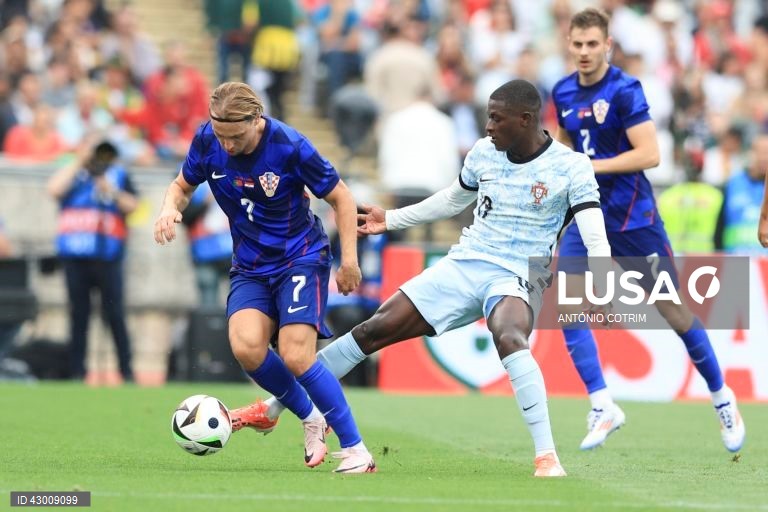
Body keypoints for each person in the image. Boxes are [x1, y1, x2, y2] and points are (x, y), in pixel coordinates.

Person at [236, 79, 615, 477]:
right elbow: (453, 199)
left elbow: (594, 234)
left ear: (526, 119)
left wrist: (602, 282)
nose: (487, 126)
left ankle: (547, 457)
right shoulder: (485, 153)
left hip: (521, 272)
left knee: (509, 335)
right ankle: (273, 408)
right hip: (466, 261)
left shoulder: (571, 166)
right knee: (372, 330)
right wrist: (392, 220)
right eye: (488, 116)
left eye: (496, 119)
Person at [153, 82, 375, 474]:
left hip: (300, 257)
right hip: (250, 265)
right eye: (221, 136)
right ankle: (310, 417)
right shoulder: (208, 140)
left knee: (295, 354)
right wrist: (169, 208)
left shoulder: (289, 145)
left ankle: (356, 448)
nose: (227, 146)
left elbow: (340, 196)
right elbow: (181, 186)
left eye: (235, 137)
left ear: (257, 120)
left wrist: (349, 261)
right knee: (246, 347)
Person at [551, 8, 745, 452]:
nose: (584, 52)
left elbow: (650, 154)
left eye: (592, 44)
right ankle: (603, 404)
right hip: (588, 215)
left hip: (633, 219)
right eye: (577, 44)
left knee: (673, 313)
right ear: (569, 45)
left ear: (607, 46)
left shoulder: (624, 89)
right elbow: (565, 145)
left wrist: (589, 167)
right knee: (566, 303)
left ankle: (722, 398)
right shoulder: (561, 90)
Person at [46, 141, 138, 383]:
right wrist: (79, 161)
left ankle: (126, 371)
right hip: (75, 257)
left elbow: (134, 205)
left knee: (115, 313)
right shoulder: (72, 171)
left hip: (107, 256)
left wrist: (112, 190)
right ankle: (77, 371)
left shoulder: (117, 174)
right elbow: (54, 189)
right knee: (79, 315)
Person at [716, 131, 768, 254]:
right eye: (760, 152)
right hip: (736, 263)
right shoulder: (733, 184)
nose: (764, 157)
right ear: (750, 153)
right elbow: (719, 228)